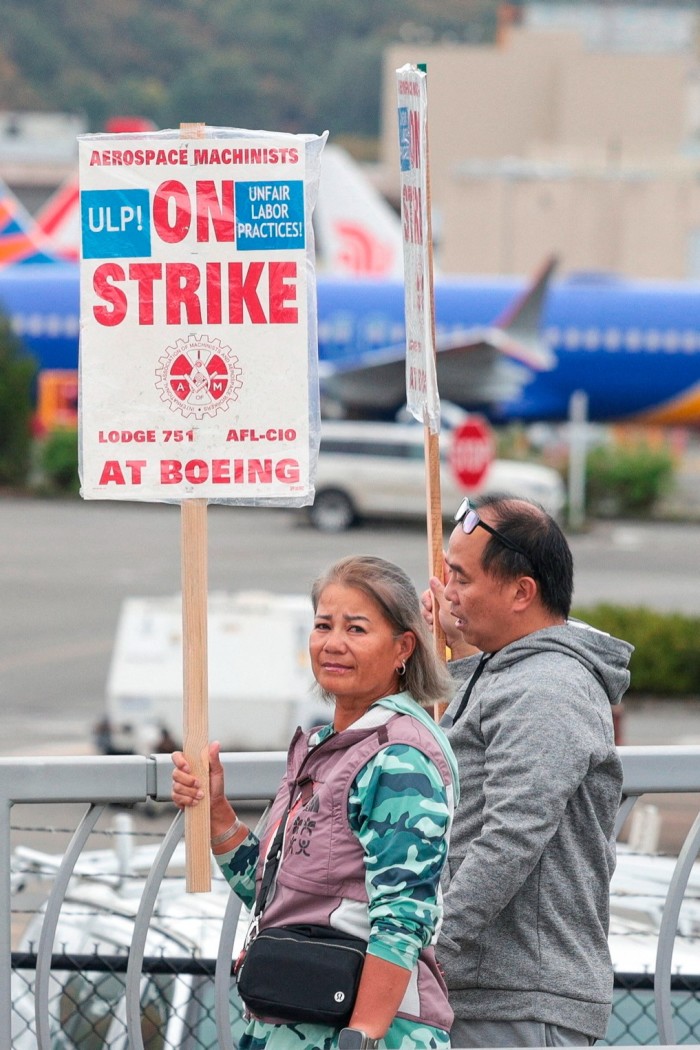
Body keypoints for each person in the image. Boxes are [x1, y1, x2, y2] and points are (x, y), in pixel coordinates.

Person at [173, 555, 460, 1050]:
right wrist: (216, 809)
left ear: (403, 648)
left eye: (356, 629)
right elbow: (278, 899)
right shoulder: (327, 746)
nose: (333, 643)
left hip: (357, 1033)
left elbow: (402, 919)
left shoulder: (398, 756)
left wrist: (362, 1038)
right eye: (324, 625)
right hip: (290, 1024)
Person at [422, 495, 633, 1049]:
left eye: (461, 578)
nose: (448, 593)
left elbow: (511, 837)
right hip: (491, 993)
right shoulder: (514, 674)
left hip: (519, 1001)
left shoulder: (547, 688)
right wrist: (463, 643)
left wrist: (423, 949)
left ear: (521, 591)